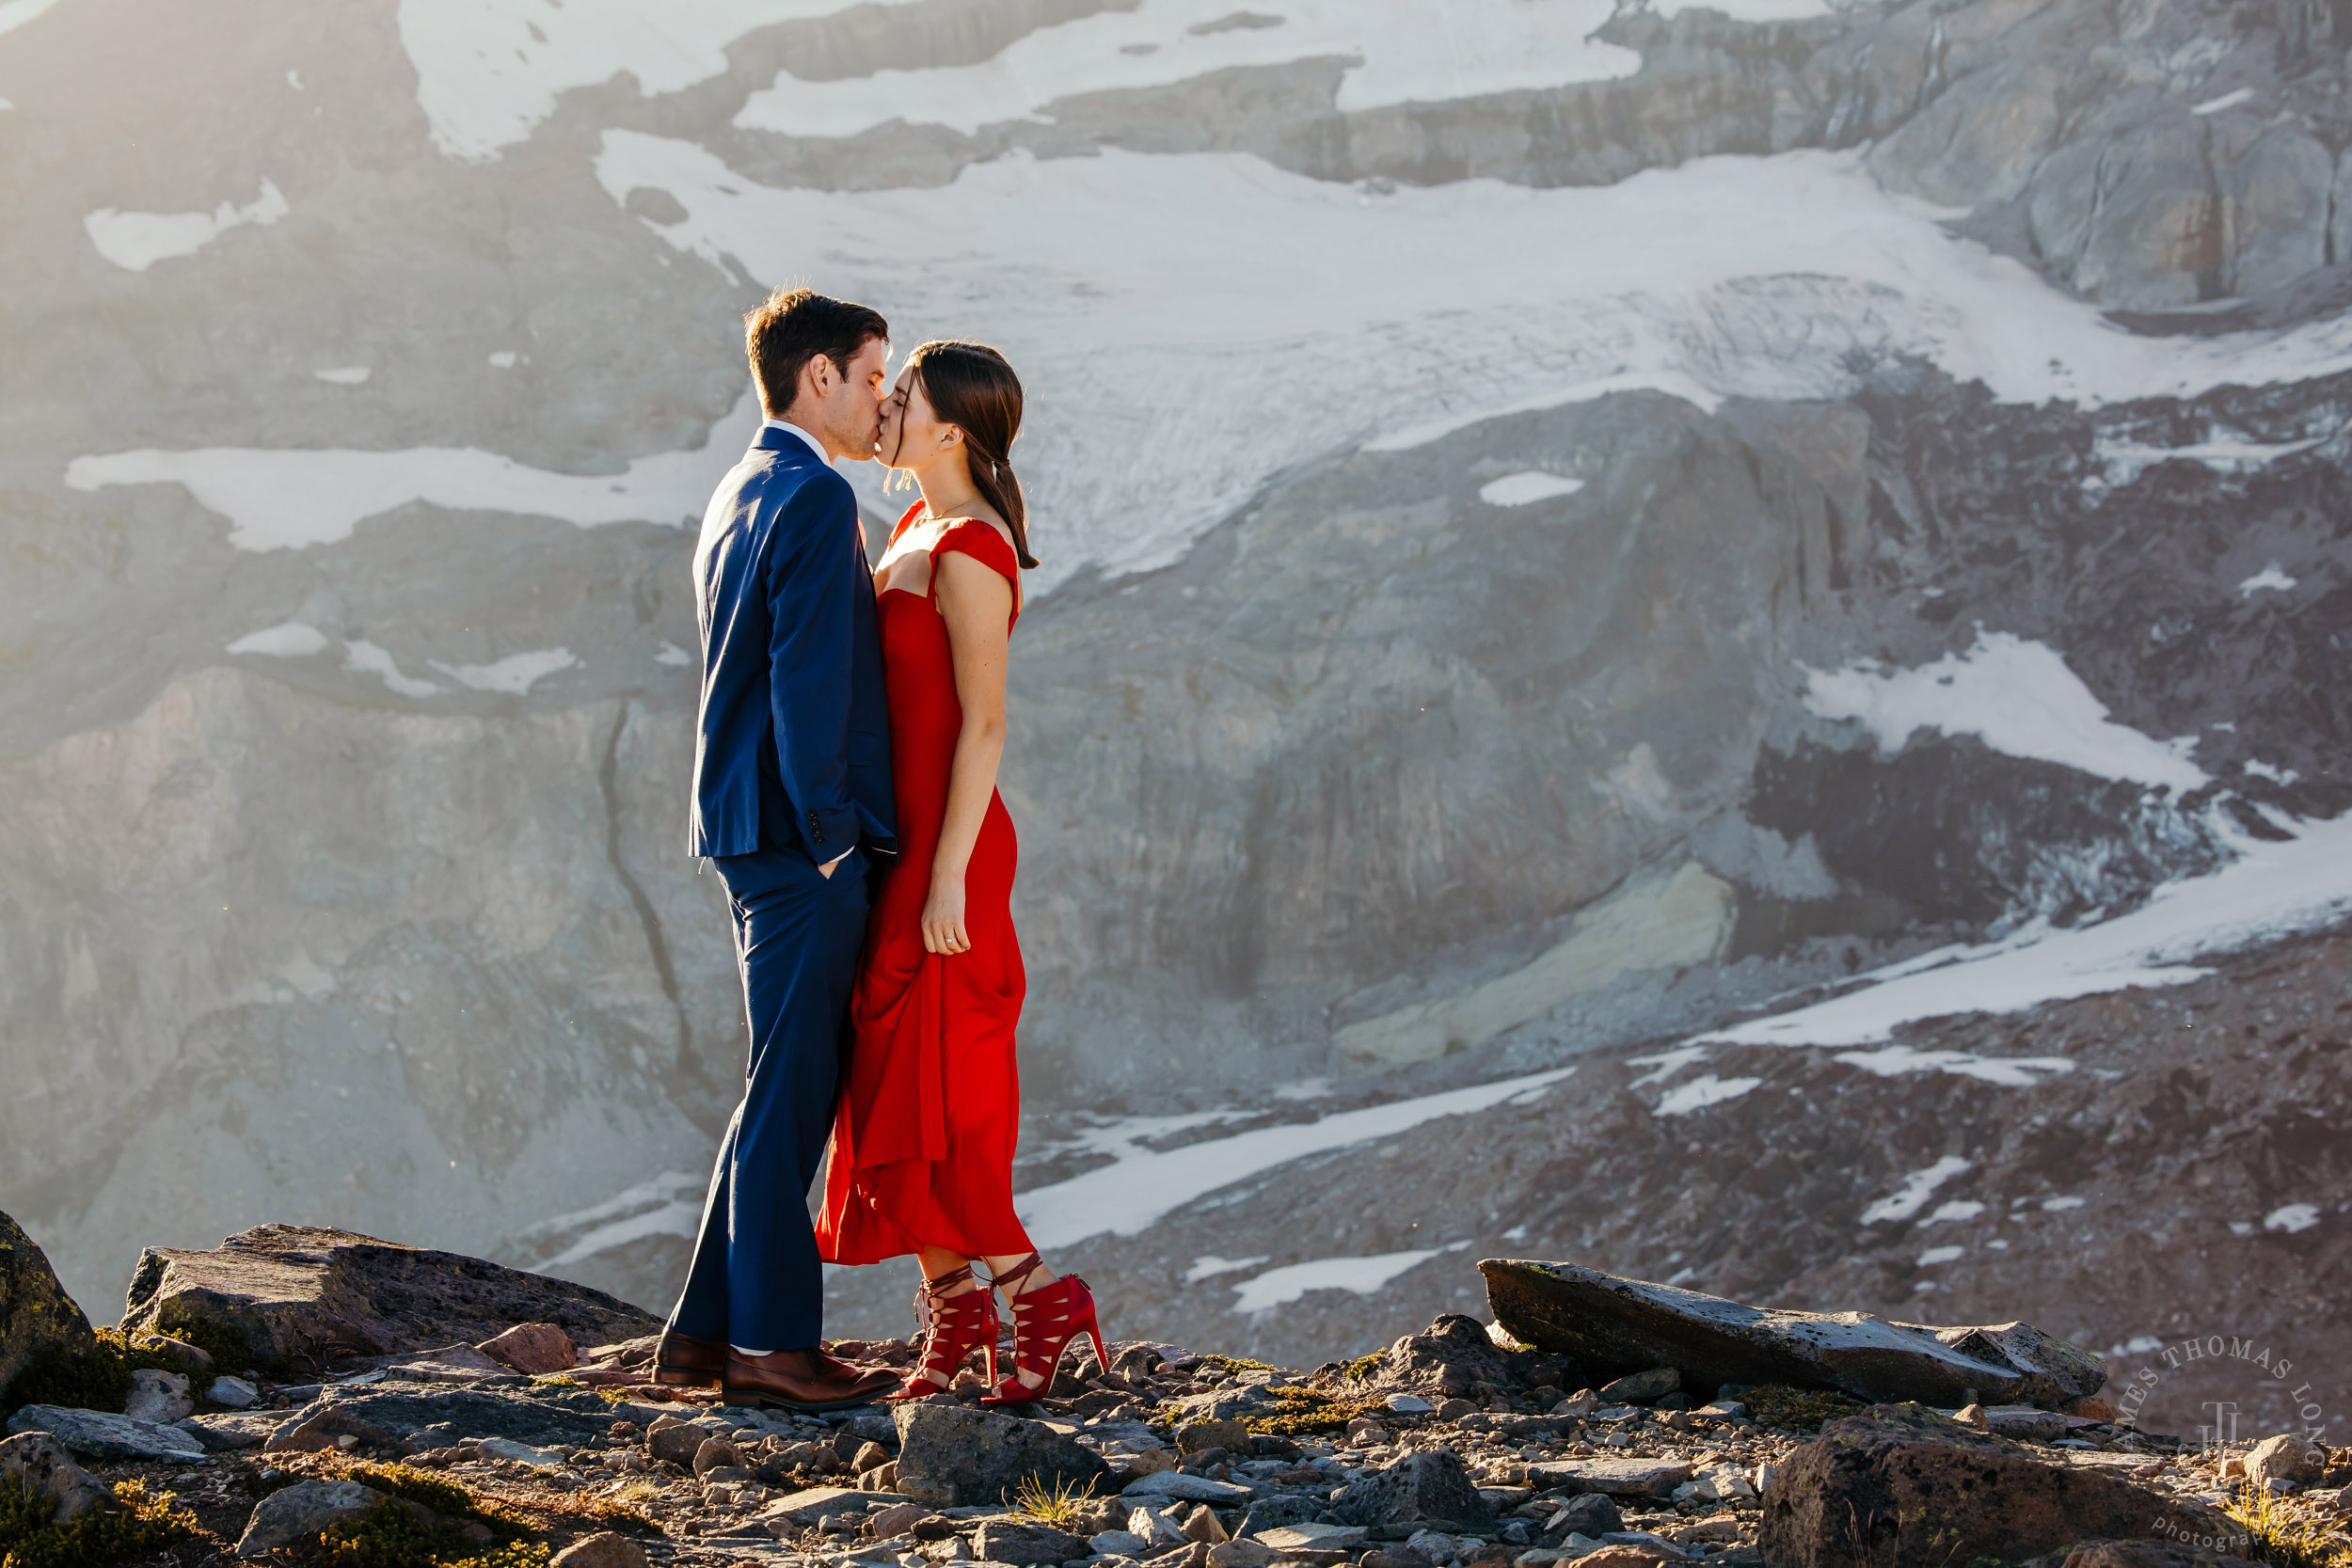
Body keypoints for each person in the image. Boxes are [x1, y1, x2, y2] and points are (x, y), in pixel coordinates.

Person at [817, 340, 1105, 1403]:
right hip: (902, 847)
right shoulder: (909, 525)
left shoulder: (973, 547)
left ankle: (1037, 1291)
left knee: (950, 1089)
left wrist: (945, 881)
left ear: (949, 431)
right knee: (889, 1082)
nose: (882, 406)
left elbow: (983, 725)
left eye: (902, 397)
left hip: (955, 852)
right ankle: (956, 1309)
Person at [657, 287, 901, 1411]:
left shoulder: (739, 486)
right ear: (817, 376)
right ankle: (770, 1348)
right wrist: (830, 842)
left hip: (744, 829)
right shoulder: (812, 497)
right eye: (869, 375)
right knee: (794, 1090)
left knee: (777, 1083)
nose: (881, 397)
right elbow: (806, 686)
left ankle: (705, 1336)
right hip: (795, 842)